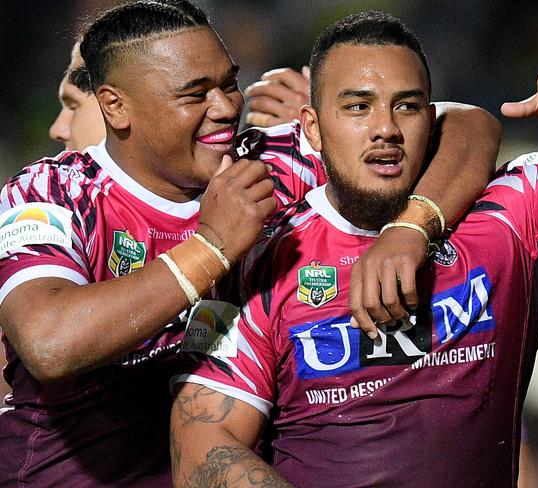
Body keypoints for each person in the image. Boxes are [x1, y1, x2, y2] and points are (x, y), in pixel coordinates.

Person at [0, 2, 499, 486]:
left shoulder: (270, 165)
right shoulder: (54, 193)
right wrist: (211, 248)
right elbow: (48, 342)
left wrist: (411, 227)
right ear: (116, 106)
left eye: (229, 84)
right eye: (195, 95)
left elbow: (467, 125)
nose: (226, 109)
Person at [169, 10, 538, 487]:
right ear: (312, 128)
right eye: (358, 107)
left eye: (407, 106)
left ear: (431, 116)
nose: (386, 129)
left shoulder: (507, 216)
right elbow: (202, 445)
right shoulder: (259, 260)